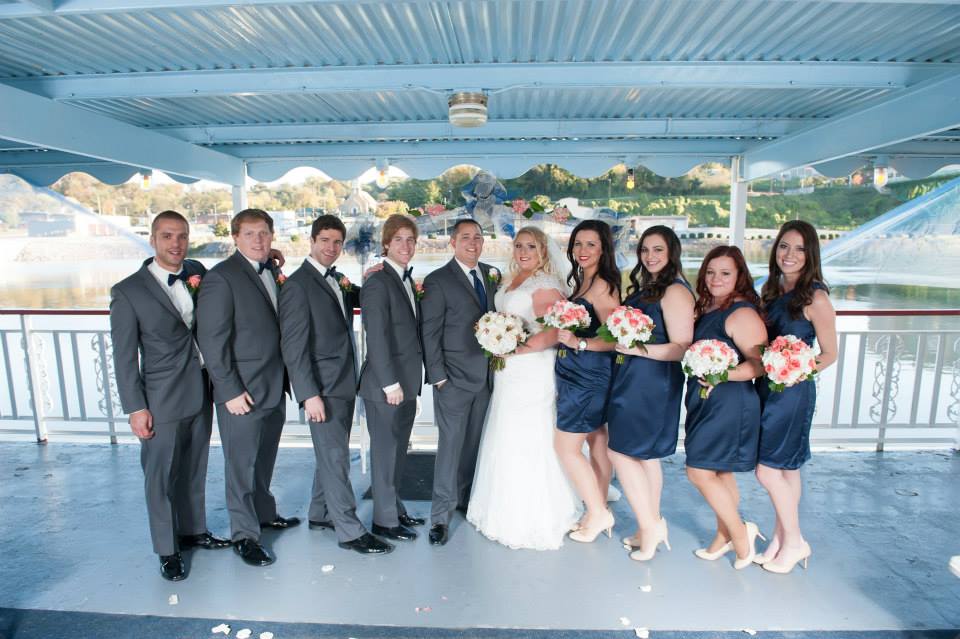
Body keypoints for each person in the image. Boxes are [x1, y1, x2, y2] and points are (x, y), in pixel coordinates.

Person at [110, 210, 231, 581]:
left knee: (194, 467)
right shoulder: (128, 291)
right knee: (160, 476)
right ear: (152, 240)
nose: (175, 244)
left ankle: (193, 531)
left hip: (201, 389)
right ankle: (167, 549)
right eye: (167, 236)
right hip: (160, 398)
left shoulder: (197, 271)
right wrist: (135, 407)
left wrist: (272, 260)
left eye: (181, 236)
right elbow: (124, 355)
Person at [278, 215, 393, 555]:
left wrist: (377, 276)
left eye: (337, 242)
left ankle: (320, 512)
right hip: (322, 389)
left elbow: (364, 298)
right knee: (336, 459)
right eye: (324, 241)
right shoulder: (297, 285)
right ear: (311, 241)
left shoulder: (337, 280)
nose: (330, 248)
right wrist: (307, 394)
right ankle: (349, 530)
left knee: (331, 456)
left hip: (343, 383)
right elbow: (293, 346)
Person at [467, 226, 581, 550]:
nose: (523, 252)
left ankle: (536, 512)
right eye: (518, 246)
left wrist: (513, 348)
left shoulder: (544, 286)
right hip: (508, 369)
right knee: (505, 431)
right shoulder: (509, 279)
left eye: (530, 246)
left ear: (543, 250)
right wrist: (497, 339)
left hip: (531, 368)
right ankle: (500, 504)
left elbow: (554, 332)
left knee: (529, 434)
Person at [197, 208, 299, 568]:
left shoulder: (271, 270)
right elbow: (211, 340)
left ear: (272, 237)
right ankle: (244, 535)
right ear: (235, 238)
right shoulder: (221, 278)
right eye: (250, 234)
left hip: (274, 385)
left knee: (264, 459)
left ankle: (265, 513)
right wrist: (228, 391)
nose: (258, 240)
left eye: (264, 234)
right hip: (242, 392)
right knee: (240, 465)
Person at [607, 225, 694, 561]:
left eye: (657, 249)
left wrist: (635, 350)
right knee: (645, 456)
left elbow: (682, 348)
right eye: (645, 250)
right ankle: (649, 526)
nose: (650, 256)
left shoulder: (675, 291)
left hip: (653, 382)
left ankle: (651, 523)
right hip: (633, 378)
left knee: (621, 453)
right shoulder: (648, 287)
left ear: (671, 251)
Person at [754, 220, 837, 574]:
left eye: (800, 249)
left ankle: (796, 540)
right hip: (766, 386)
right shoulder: (770, 290)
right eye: (784, 246)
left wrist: (793, 371)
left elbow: (830, 353)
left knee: (767, 471)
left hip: (793, 391)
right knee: (786, 469)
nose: (789, 255)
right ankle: (780, 539)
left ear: (811, 255)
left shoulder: (816, 297)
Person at [684, 246, 766, 569]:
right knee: (720, 470)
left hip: (731, 402)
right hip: (706, 401)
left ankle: (741, 533)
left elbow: (759, 365)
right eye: (711, 272)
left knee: (698, 471)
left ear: (740, 277)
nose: (716, 279)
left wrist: (721, 375)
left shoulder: (742, 313)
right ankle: (723, 536)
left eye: (726, 273)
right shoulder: (708, 307)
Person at [421, 218, 498, 546]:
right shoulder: (438, 280)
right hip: (452, 380)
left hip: (486, 379)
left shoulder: (492, 275)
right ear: (452, 242)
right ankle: (439, 518)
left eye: (478, 238)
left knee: (473, 447)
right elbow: (430, 332)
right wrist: (439, 379)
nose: (473, 243)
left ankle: (465, 502)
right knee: (450, 449)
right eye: (465, 237)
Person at [358, 214, 426, 542]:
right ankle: (384, 522)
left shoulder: (405, 279)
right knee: (385, 455)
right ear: (386, 244)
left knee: (399, 453)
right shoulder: (377, 281)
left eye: (410, 240)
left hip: (407, 382)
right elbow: (378, 337)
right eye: (398, 239)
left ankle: (394, 508)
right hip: (386, 385)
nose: (405, 245)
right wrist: (390, 383)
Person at [553, 220, 619, 543]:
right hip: (578, 374)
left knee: (565, 447)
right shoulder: (583, 281)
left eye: (591, 244)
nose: (583, 251)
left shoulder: (603, 286)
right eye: (578, 244)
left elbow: (616, 338)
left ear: (604, 248)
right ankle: (597, 508)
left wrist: (579, 344)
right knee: (597, 442)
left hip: (588, 376)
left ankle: (598, 511)